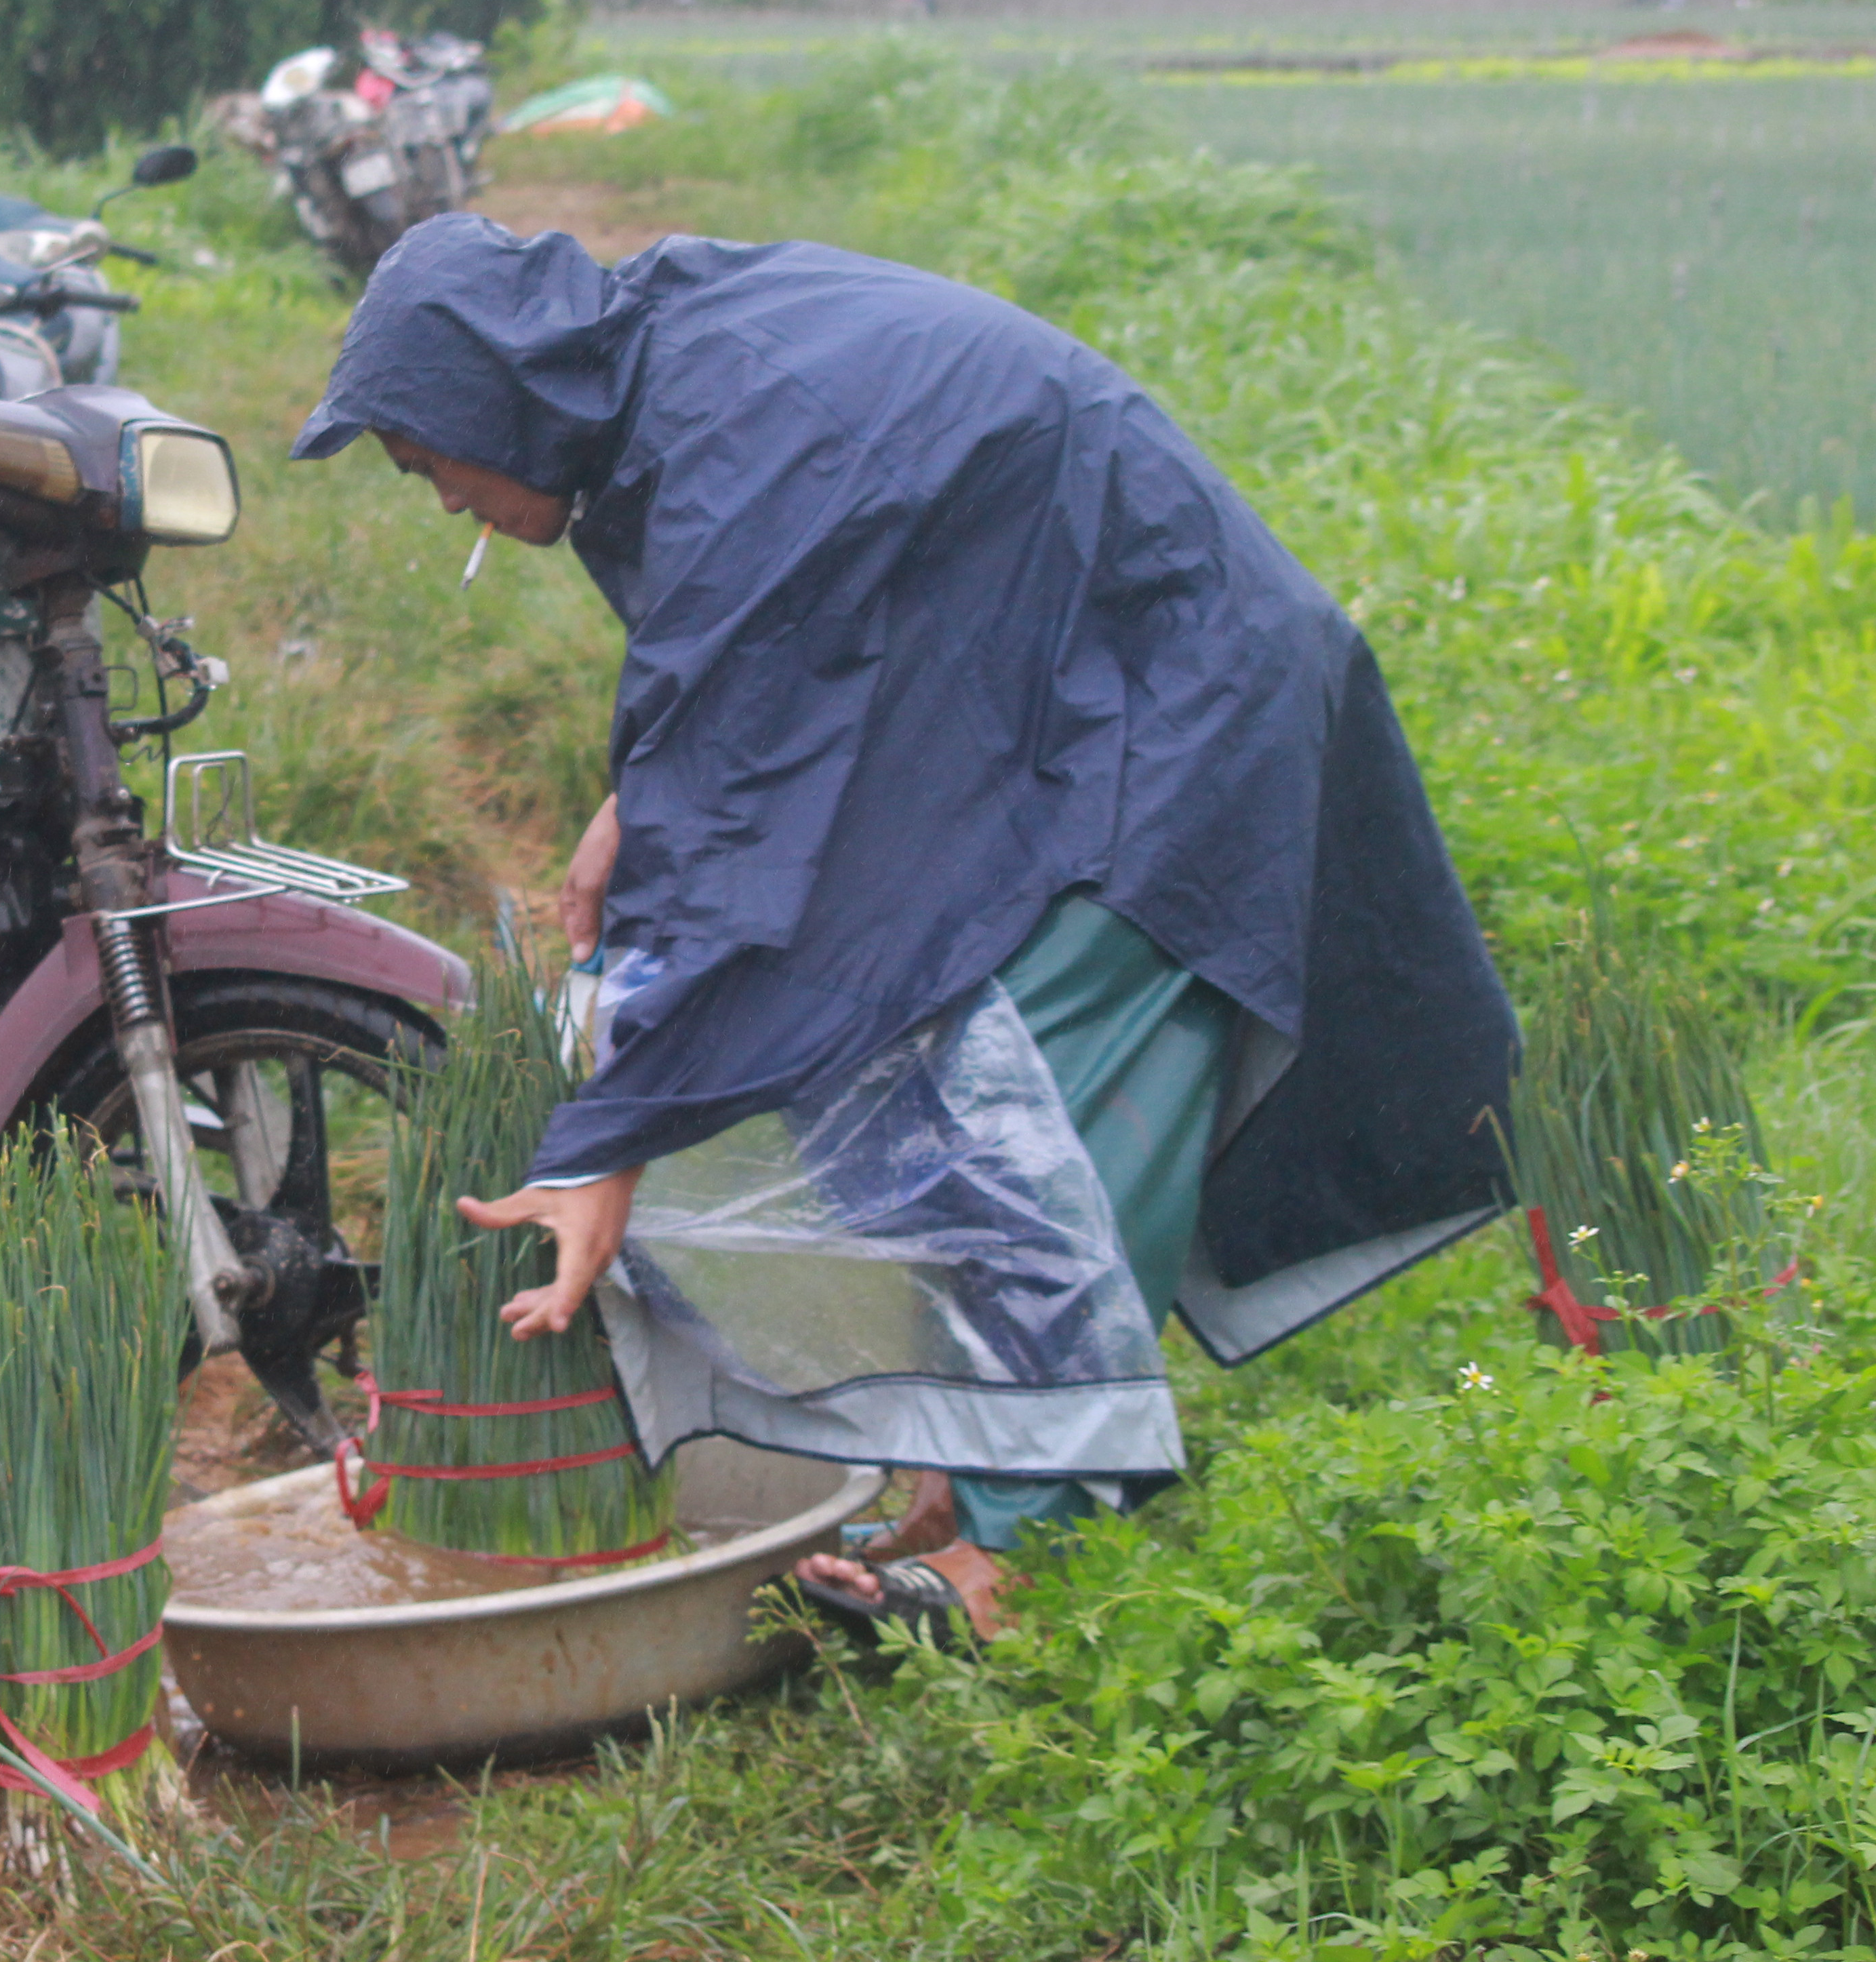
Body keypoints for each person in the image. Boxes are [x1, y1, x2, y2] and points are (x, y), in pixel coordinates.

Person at [292, 215, 1515, 1646]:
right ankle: (968, 1480)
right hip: (1051, 685)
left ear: (493, 397)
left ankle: (1030, 1565)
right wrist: (642, 795)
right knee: (919, 1064)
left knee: (1018, 1106)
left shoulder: (734, 423)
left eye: (430, 461)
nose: (444, 500)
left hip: (1170, 712)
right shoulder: (662, 368)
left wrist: (611, 1145)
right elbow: (765, 654)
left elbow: (749, 781)